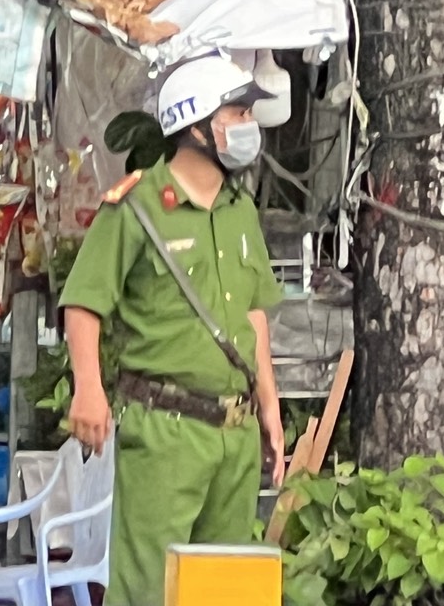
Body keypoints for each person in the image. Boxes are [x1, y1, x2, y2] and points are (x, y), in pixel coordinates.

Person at [59, 53, 287, 606]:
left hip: (234, 432)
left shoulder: (240, 210)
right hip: (166, 430)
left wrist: (270, 408)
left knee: (224, 593)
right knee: (147, 591)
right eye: (237, 113)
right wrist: (88, 388)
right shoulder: (136, 207)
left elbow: (253, 316)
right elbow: (83, 304)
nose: (247, 127)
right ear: (196, 126)